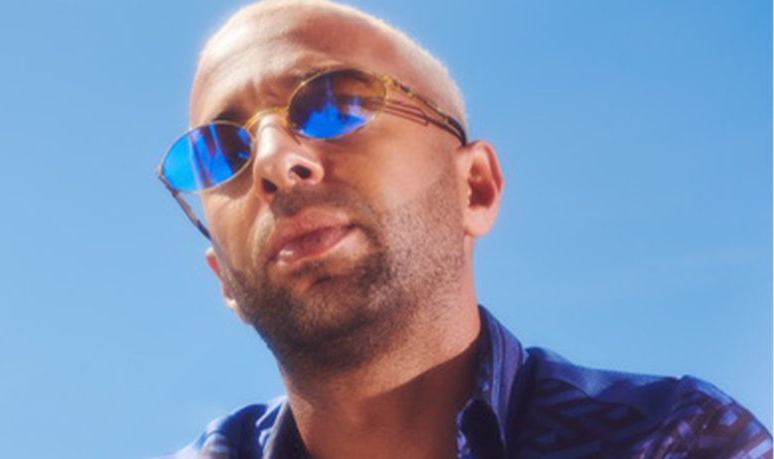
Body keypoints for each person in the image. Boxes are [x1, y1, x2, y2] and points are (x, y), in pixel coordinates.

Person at [154, 1, 772, 457]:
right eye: (218, 152)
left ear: (473, 188)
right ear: (223, 277)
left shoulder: (671, 439)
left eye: (334, 103)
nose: (271, 162)